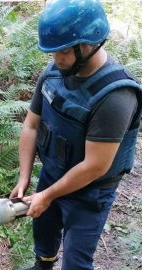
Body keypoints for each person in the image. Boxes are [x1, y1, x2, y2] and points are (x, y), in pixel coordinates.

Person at [10, 0, 142, 269]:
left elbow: (95, 166)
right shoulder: (53, 73)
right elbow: (31, 126)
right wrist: (25, 177)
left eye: (64, 52)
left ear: (90, 44)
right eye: (53, 53)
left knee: (76, 261)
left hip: (90, 192)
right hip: (52, 173)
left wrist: (46, 196)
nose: (56, 60)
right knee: (44, 235)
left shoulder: (116, 96)